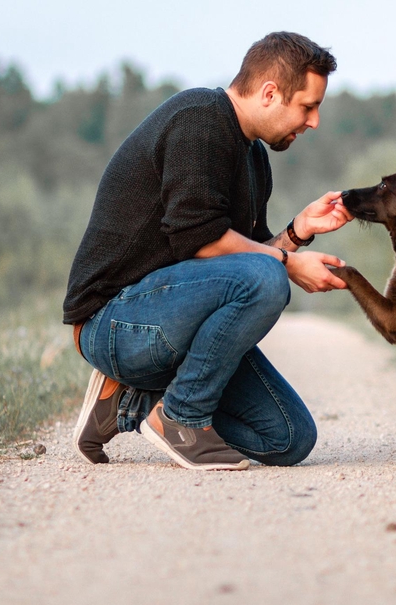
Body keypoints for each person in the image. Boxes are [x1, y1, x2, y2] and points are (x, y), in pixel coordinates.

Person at [63, 32, 352, 471]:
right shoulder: (200, 120)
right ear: (271, 93)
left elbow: (239, 258)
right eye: (308, 106)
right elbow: (201, 241)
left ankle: (130, 403)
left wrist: (297, 232)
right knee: (268, 277)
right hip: (111, 322)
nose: (313, 122)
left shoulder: (253, 156)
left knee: (288, 439)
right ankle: (180, 420)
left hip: (169, 320)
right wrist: (289, 265)